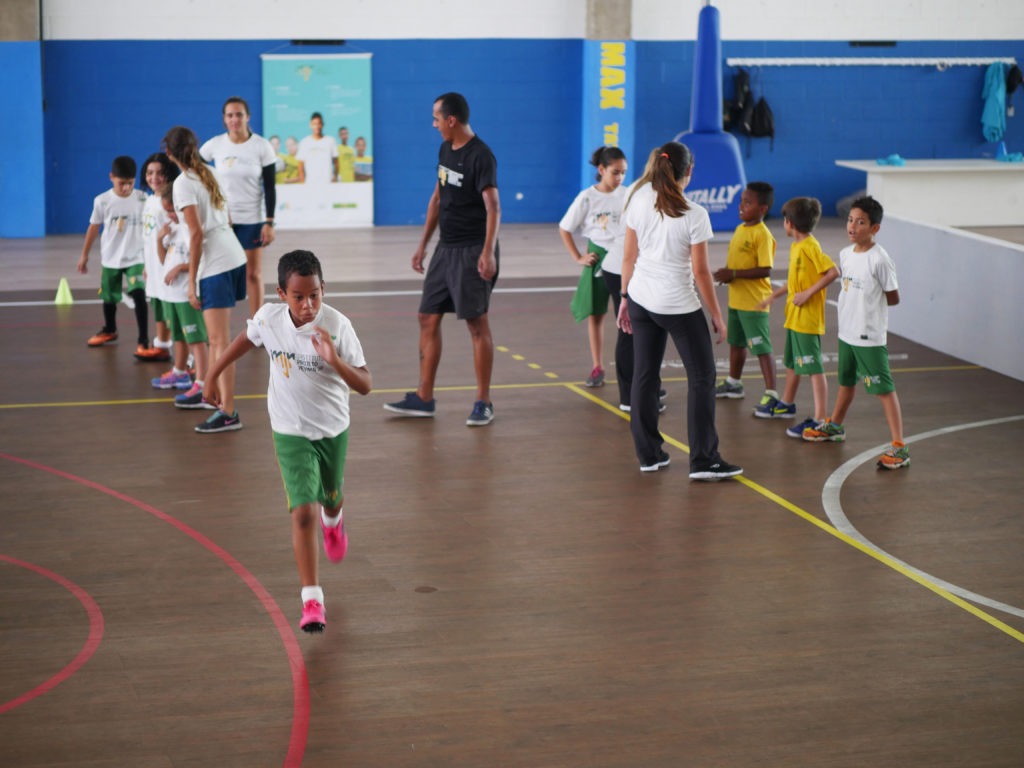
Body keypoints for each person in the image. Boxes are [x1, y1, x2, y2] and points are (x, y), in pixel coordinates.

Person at [203, 250, 372, 632]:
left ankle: (336, 518)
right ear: (282, 293)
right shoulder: (269, 319)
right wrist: (213, 372)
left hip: (332, 428)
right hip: (289, 430)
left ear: (323, 289)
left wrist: (335, 361)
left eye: (314, 294)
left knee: (331, 496)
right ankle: (312, 600)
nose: (308, 304)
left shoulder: (337, 326)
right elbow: (246, 339)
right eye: (298, 296)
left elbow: (365, 384)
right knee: (302, 512)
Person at [617, 141, 742, 480]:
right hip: (677, 305)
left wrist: (624, 296)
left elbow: (628, 256)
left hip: (641, 298)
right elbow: (701, 273)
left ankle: (649, 454)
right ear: (689, 172)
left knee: (644, 375)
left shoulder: (636, 198)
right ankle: (704, 460)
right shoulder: (694, 214)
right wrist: (716, 314)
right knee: (702, 377)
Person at [383, 92, 501, 426]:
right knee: (427, 317)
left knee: (476, 325)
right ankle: (424, 398)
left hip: (473, 249)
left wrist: (487, 251)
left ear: (451, 120)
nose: (433, 124)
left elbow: (493, 206)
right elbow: (438, 197)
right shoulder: (445, 149)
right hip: (445, 249)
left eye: (436, 118)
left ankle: (483, 402)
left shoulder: (482, 156)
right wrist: (423, 245)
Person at [802, 196, 909, 470]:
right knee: (846, 383)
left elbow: (893, 297)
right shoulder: (846, 255)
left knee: (883, 389)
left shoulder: (880, 259)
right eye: (850, 220)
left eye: (860, 222)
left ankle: (899, 447)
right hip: (847, 333)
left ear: (874, 229)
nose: (853, 226)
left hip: (868, 336)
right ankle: (835, 426)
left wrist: (869, 308)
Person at [163, 125, 248, 434]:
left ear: (170, 154)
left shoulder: (183, 182)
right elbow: (223, 219)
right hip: (233, 256)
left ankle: (228, 411)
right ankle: (213, 396)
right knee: (217, 341)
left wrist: (191, 280)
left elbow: (197, 235)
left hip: (216, 264)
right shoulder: (208, 172)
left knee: (219, 341)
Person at [757, 197, 839, 437]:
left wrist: (807, 294)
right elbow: (795, 284)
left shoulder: (810, 247)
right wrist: (775, 295)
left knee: (814, 368)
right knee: (792, 364)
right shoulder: (796, 247)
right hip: (793, 317)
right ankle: (786, 403)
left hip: (807, 319)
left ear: (789, 223)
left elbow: (833, 272)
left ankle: (820, 418)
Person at [200, 96, 278, 317]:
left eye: (239, 114)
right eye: (230, 115)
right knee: (217, 271)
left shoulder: (262, 147)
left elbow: (270, 188)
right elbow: (195, 172)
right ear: (224, 119)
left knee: (252, 274)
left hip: (253, 220)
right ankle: (214, 321)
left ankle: (258, 326)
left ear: (247, 117)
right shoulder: (214, 145)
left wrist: (269, 223)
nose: (234, 119)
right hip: (222, 220)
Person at [558, 145, 627, 388]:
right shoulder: (587, 197)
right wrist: (578, 257)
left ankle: (630, 366)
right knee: (596, 314)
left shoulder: (628, 195)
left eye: (623, 173)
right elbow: (565, 227)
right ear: (601, 169)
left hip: (623, 259)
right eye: (615, 172)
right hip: (598, 258)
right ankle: (598, 366)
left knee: (628, 314)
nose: (619, 178)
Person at [712, 181, 779, 411]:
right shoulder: (741, 229)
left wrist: (732, 273)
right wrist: (728, 274)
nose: (741, 206)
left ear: (762, 209)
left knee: (761, 348)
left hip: (754, 303)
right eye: (741, 201)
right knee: (736, 343)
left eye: (747, 203)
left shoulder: (763, 234)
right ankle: (734, 382)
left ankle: (771, 392)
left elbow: (765, 269)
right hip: (736, 300)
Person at [76, 155, 152, 355]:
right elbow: (93, 228)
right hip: (111, 258)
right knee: (109, 297)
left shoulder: (143, 199)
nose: (126, 188)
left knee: (138, 293)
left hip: (136, 257)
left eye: (130, 183)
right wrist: (84, 255)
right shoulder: (102, 201)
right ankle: (110, 329)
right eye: (121, 183)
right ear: (111, 177)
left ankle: (143, 339)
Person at [151, 187, 212, 407]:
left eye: (172, 210)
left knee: (196, 340)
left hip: (186, 294)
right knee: (178, 336)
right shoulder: (173, 229)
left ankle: (202, 382)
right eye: (166, 211)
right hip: (171, 295)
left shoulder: (191, 231)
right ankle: (180, 371)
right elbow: (163, 259)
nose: (170, 215)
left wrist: (179, 269)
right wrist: (159, 240)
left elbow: (201, 260)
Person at [139, 152, 179, 365]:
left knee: (173, 310)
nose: (154, 177)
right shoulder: (149, 200)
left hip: (168, 264)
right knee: (159, 307)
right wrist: (147, 264)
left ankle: (189, 357)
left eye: (160, 173)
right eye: (150, 173)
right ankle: (162, 345)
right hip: (153, 265)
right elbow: (148, 236)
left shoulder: (171, 201)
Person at [296, 112, 337, 185]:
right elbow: (300, 166)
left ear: (322, 124)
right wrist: (303, 183)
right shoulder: (304, 142)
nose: (317, 126)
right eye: (314, 124)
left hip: (327, 183)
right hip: (310, 183)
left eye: (319, 123)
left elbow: (336, 162)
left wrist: (334, 178)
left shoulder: (330, 140)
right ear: (310, 125)